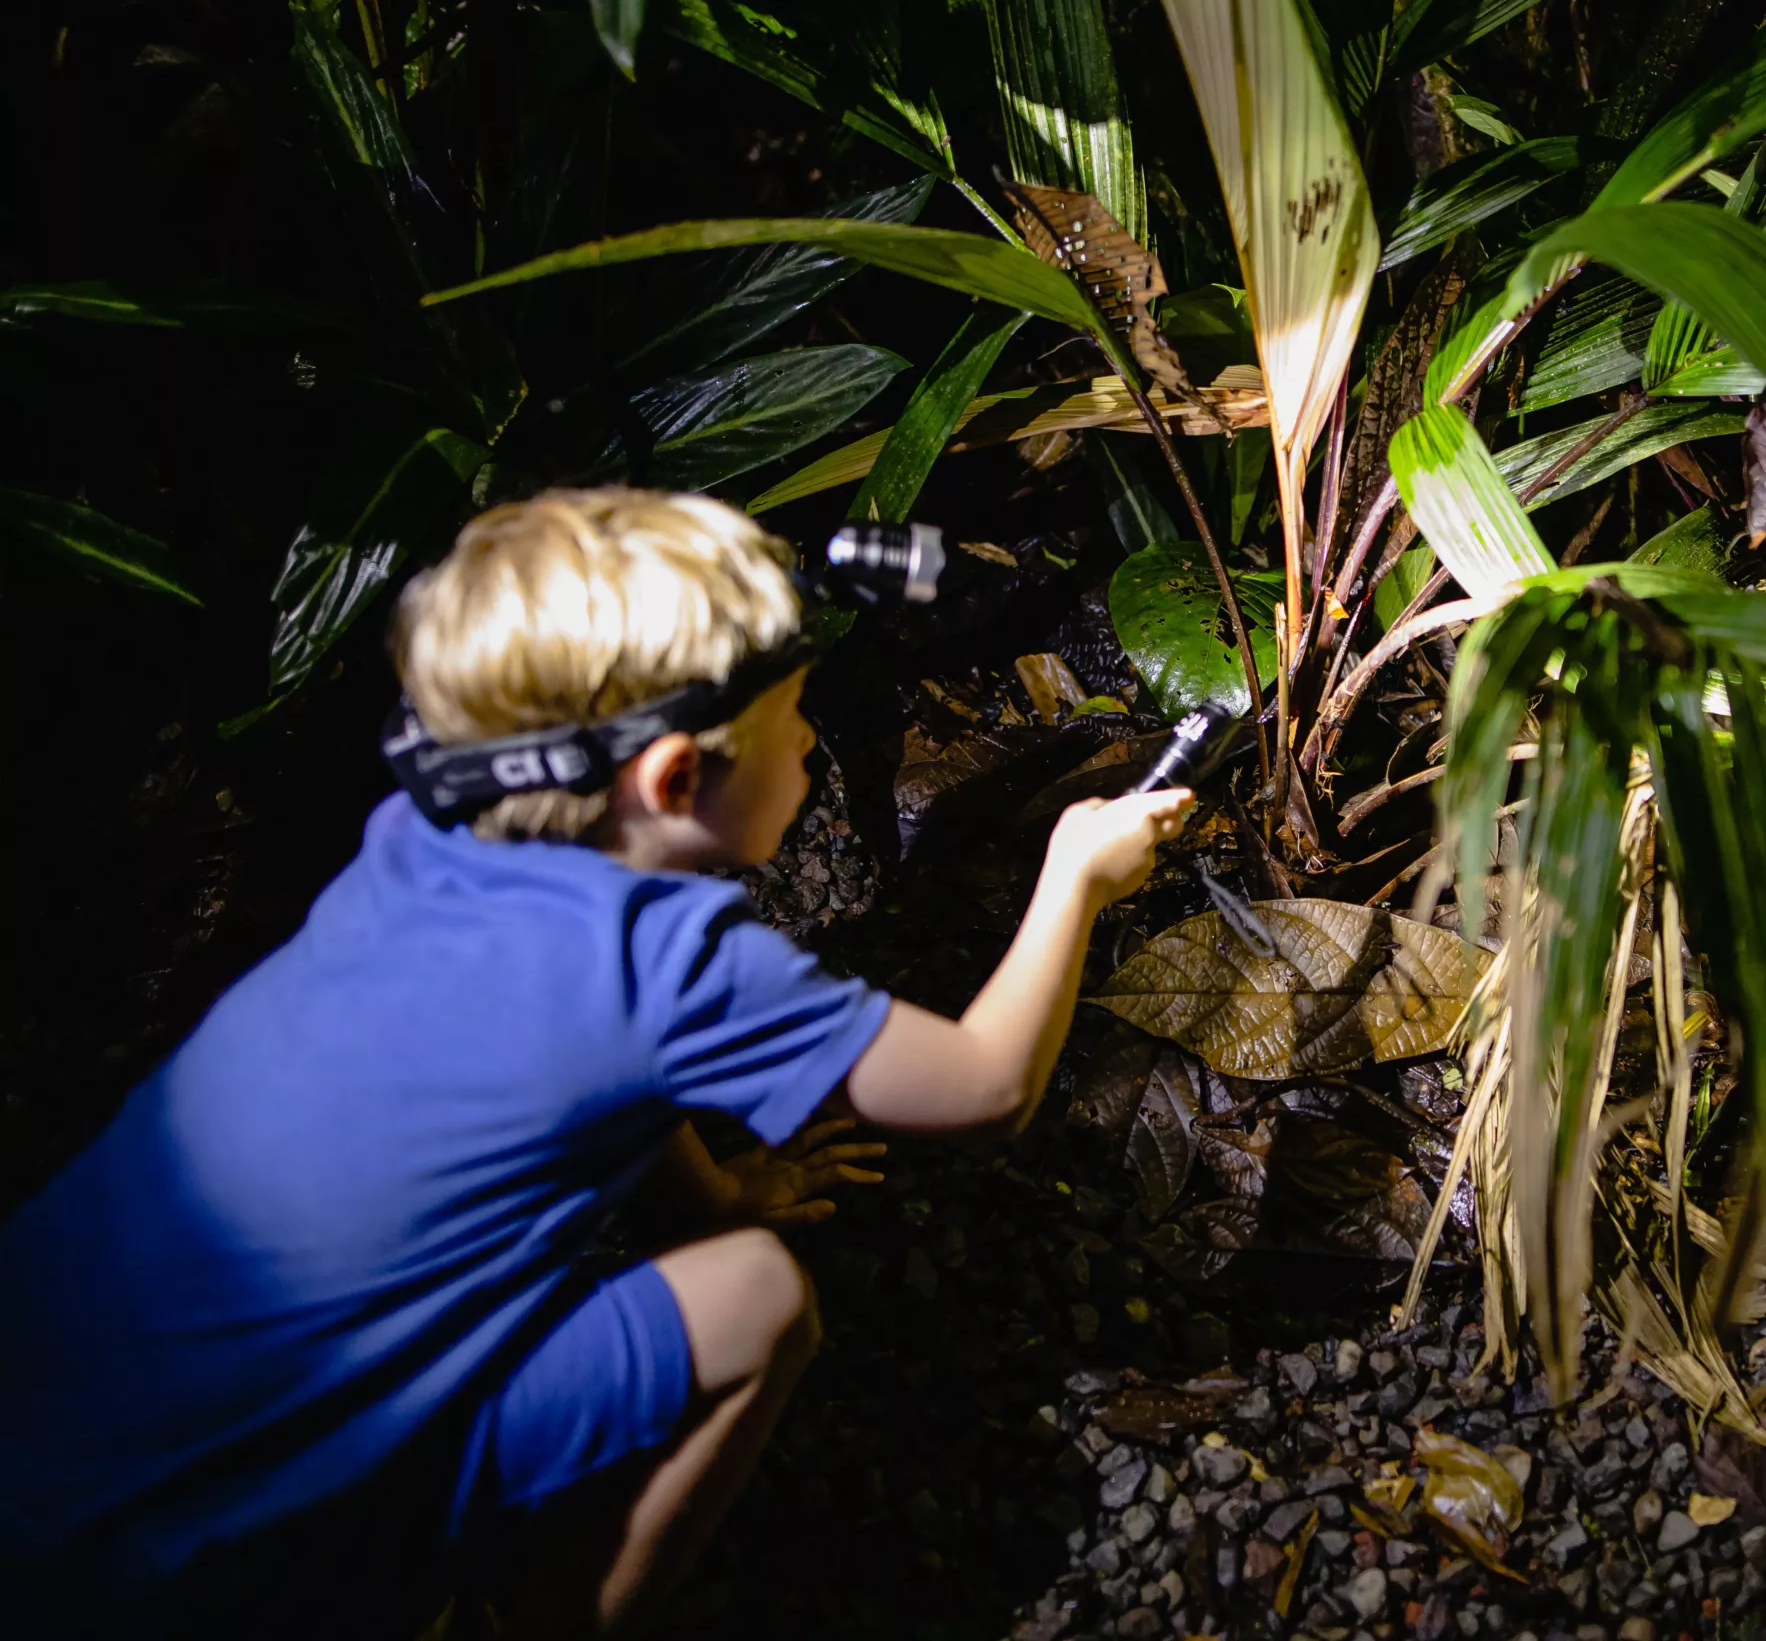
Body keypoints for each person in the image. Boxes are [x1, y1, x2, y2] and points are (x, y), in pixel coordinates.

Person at [0, 489, 1191, 1638]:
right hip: (214, 1550)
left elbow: (606, 1060)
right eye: (798, 719)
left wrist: (719, 1194)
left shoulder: (424, 838)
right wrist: (1071, 881)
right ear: (674, 778)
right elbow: (986, 1088)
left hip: (47, 1408)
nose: (815, 743)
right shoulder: (665, 961)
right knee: (759, 1300)